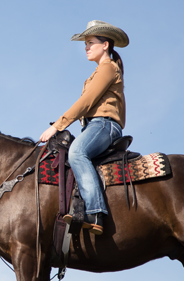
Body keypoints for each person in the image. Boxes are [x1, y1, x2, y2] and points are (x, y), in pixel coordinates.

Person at [39, 20, 128, 236]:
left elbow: (86, 102)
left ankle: (95, 212)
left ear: (105, 45)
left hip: (104, 125)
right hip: (93, 125)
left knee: (77, 153)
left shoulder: (108, 68)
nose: (86, 47)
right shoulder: (98, 71)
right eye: (85, 43)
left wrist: (58, 126)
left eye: (90, 42)